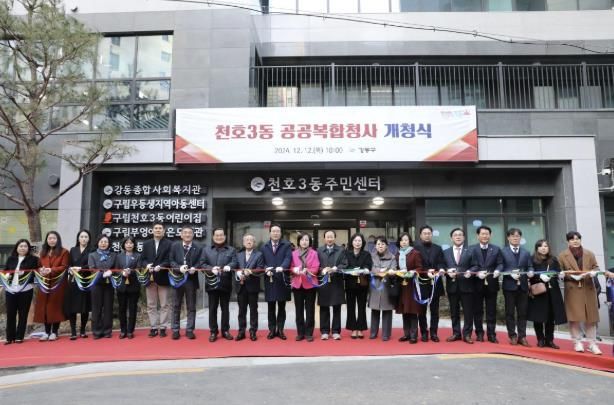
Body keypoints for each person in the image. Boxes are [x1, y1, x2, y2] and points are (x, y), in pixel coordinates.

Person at [558, 231, 602, 355]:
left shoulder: (589, 253)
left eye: (577, 239)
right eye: (572, 239)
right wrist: (566, 276)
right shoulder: (562, 255)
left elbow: (596, 267)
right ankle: (577, 342)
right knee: (574, 318)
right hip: (572, 288)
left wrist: (594, 272)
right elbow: (559, 272)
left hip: (588, 287)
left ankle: (592, 344)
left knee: (591, 318)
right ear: (568, 241)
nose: (575, 241)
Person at [199, 227, 237, 342]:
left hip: (225, 283)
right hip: (211, 283)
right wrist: (211, 269)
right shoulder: (206, 250)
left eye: (221, 235)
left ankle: (225, 330)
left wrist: (229, 266)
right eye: (217, 235)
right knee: (212, 308)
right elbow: (202, 264)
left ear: (224, 236)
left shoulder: (231, 250)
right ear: (213, 237)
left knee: (225, 308)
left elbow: (235, 262)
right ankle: (213, 331)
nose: (219, 237)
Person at [527, 239, 566, 349]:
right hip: (539, 291)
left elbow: (558, 271)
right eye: (541, 246)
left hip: (552, 290)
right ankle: (540, 339)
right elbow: (529, 274)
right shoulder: (532, 259)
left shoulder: (553, 259)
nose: (543, 248)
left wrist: (561, 275)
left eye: (546, 246)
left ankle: (550, 340)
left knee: (550, 316)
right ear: (537, 248)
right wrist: (539, 276)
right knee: (538, 316)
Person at [469, 226, 503, 343]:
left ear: (490, 235)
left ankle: (491, 334)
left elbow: (500, 263)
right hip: (476, 284)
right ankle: (479, 333)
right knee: (477, 310)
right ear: (477, 235)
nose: (485, 236)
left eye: (487, 234)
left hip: (492, 283)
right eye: (482, 234)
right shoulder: (471, 249)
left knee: (491, 311)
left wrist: (498, 270)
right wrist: (476, 273)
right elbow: (469, 264)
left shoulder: (496, 249)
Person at [139, 221, 172, 338]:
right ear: (152, 230)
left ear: (164, 231)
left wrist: (161, 266)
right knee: (151, 304)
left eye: (160, 228)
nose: (158, 230)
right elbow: (142, 259)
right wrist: (146, 265)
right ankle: (153, 327)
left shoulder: (169, 244)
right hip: (150, 278)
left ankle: (163, 327)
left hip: (163, 277)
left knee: (164, 304)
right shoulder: (146, 244)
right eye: (156, 228)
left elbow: (170, 259)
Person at [34, 231, 70, 341]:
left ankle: (54, 331)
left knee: (55, 307)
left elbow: (64, 266)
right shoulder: (43, 252)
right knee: (44, 307)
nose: (52, 240)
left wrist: (51, 270)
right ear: (47, 240)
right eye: (49, 238)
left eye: (54, 238)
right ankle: (46, 332)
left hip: (57, 283)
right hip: (44, 283)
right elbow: (38, 266)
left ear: (58, 239)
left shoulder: (64, 252)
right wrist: (41, 270)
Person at [441, 228, 475, 344]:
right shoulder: (446, 252)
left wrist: (470, 271)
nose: (458, 237)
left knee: (468, 312)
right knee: (454, 312)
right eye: (455, 235)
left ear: (464, 237)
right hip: (452, 286)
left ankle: (467, 334)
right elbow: (442, 265)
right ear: (451, 238)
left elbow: (476, 265)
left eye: (460, 235)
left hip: (467, 286)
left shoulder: (470, 251)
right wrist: (446, 271)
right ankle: (456, 333)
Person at [500, 228, 533, 347]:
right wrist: (510, 273)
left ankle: (522, 336)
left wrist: (531, 271)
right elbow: (500, 266)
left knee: (522, 313)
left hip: (523, 286)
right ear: (508, 238)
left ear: (520, 238)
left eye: (518, 236)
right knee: (509, 312)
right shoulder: (503, 251)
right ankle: (512, 336)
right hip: (509, 286)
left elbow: (530, 266)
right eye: (513, 236)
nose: (515, 238)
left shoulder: (526, 252)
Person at [3, 239, 39, 344]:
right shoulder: (11, 259)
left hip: (25, 289)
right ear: (17, 247)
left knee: (23, 314)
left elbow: (35, 273)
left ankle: (19, 336)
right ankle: (10, 337)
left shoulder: (33, 259)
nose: (23, 248)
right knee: (10, 314)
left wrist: (24, 274)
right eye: (21, 246)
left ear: (28, 248)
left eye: (25, 246)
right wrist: (7, 275)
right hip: (10, 289)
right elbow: (6, 270)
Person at [260, 223, 292, 340]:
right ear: (270, 233)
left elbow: (288, 258)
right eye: (273, 231)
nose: (275, 233)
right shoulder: (264, 246)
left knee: (282, 306)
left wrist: (282, 267)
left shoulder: (286, 245)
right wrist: (265, 269)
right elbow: (261, 261)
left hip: (282, 278)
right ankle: (272, 330)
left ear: (280, 233)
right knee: (271, 306)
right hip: (270, 279)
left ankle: (281, 330)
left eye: (278, 231)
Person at [169, 225, 201, 340]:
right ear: (181, 235)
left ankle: (189, 330)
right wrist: (178, 268)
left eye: (190, 233)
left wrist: (195, 268)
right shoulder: (175, 246)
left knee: (191, 306)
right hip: (177, 279)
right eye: (185, 233)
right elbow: (171, 260)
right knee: (176, 305)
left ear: (193, 235)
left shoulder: (198, 247)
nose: (187, 235)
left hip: (191, 280)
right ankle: (175, 330)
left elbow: (201, 261)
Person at [413, 225, 445, 342]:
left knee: (435, 310)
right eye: (425, 233)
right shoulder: (415, 249)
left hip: (435, 283)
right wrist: (426, 272)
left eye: (429, 233)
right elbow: (416, 265)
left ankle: (434, 333)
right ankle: (424, 332)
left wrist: (440, 269)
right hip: (422, 283)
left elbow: (441, 262)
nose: (427, 235)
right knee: (421, 310)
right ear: (420, 235)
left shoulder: (438, 248)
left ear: (432, 235)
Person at [317, 230, 348, 340]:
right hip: (324, 282)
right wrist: (322, 269)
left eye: (331, 237)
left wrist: (336, 268)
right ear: (324, 238)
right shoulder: (319, 250)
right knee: (324, 307)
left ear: (335, 238)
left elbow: (345, 264)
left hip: (336, 282)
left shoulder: (341, 250)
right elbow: (315, 265)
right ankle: (324, 331)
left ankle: (335, 331)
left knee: (336, 307)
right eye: (327, 237)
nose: (329, 239)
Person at [64, 229, 94, 340]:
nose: (84, 239)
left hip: (86, 280)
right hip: (73, 280)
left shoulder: (92, 250)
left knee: (84, 307)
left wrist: (81, 268)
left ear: (89, 239)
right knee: (72, 306)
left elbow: (91, 265)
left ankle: (82, 330)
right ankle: (73, 331)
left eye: (86, 237)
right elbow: (68, 264)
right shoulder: (73, 250)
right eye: (82, 237)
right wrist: (71, 269)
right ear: (78, 238)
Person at [290, 233, 320, 342]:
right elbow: (291, 267)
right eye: (302, 240)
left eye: (306, 240)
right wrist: (294, 270)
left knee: (310, 310)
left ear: (309, 242)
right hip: (297, 284)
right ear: (299, 241)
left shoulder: (314, 253)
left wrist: (308, 271)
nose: (304, 242)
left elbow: (316, 267)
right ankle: (300, 333)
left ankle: (309, 333)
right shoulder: (293, 253)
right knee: (299, 310)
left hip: (310, 284)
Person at [395, 232, 423, 344]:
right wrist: (397, 272)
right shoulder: (397, 254)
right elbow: (395, 268)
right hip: (402, 285)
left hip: (412, 285)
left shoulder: (415, 253)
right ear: (399, 242)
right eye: (402, 240)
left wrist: (412, 272)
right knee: (404, 310)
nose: (404, 242)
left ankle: (413, 335)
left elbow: (420, 268)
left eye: (406, 240)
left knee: (412, 310)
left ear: (409, 241)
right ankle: (406, 334)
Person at [235, 233, 264, 341]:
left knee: (253, 310)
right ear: (243, 243)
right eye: (246, 240)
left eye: (251, 240)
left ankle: (253, 331)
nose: (249, 241)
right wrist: (238, 273)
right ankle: (241, 331)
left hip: (253, 286)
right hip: (241, 286)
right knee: (241, 311)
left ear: (254, 243)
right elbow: (235, 267)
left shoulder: (259, 255)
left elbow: (260, 268)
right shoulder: (238, 254)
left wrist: (251, 272)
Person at [368, 236, 398, 341]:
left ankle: (386, 334)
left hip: (387, 285)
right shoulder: (371, 256)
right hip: (374, 286)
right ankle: (373, 332)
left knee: (387, 310)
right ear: (375, 246)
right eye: (378, 244)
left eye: (383, 244)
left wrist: (389, 271)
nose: (380, 246)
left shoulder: (392, 257)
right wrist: (380, 271)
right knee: (375, 310)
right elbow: (370, 268)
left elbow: (394, 269)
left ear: (386, 245)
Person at [88, 234, 117, 339]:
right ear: (98, 243)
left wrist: (111, 272)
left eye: (105, 242)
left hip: (109, 284)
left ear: (109, 243)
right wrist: (102, 274)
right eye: (101, 242)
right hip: (96, 284)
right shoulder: (92, 255)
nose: (103, 244)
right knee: (96, 308)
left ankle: (107, 331)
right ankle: (96, 331)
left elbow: (116, 268)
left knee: (108, 308)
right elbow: (92, 269)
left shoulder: (113, 255)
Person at [344, 233, 372, 339]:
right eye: (355, 241)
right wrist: (351, 270)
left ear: (362, 242)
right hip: (350, 283)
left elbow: (369, 265)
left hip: (362, 283)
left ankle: (360, 328)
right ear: (352, 242)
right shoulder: (346, 253)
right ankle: (353, 329)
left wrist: (365, 269)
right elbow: (344, 265)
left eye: (359, 241)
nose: (357, 243)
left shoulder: (366, 254)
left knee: (361, 307)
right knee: (350, 307)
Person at [115, 236, 141, 339]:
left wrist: (131, 272)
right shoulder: (119, 256)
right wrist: (122, 272)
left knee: (132, 309)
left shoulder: (138, 256)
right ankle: (123, 330)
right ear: (123, 245)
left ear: (134, 245)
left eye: (131, 243)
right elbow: (116, 269)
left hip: (134, 285)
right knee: (122, 309)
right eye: (127, 243)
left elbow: (139, 269)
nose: (129, 245)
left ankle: (130, 331)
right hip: (121, 286)